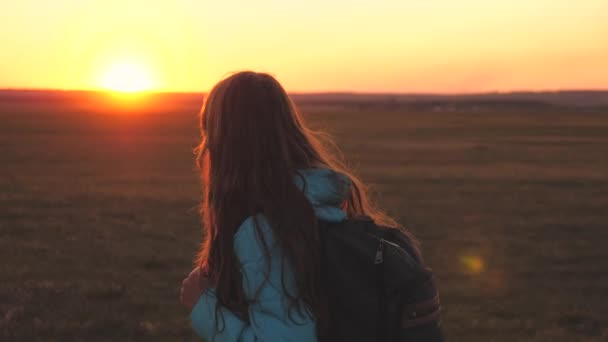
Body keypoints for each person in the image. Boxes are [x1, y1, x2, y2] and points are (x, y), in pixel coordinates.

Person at [180, 71, 439, 341]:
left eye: (208, 135)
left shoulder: (265, 234)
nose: (202, 150)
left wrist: (206, 310)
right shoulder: (323, 209)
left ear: (225, 148)